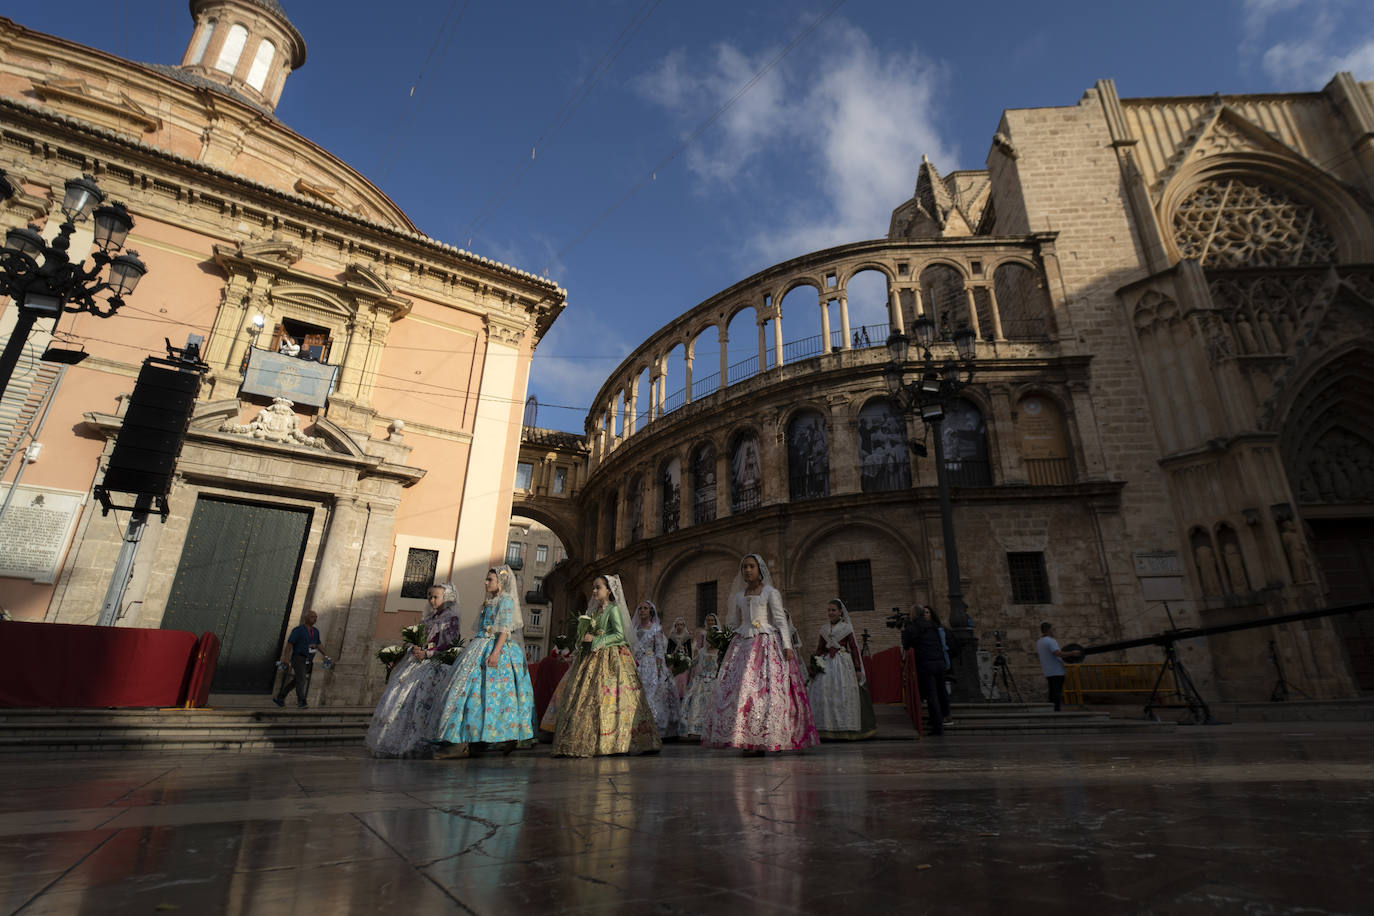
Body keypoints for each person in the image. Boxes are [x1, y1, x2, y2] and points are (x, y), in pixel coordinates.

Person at [701, 554, 819, 755]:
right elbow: (733, 622)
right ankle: (747, 739)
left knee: (767, 691)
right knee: (743, 692)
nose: (747, 570)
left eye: (751, 566)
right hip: (742, 645)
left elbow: (780, 620)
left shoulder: (770, 592)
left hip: (765, 643)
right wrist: (725, 643)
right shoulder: (739, 596)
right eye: (744, 567)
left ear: (759, 569)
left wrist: (788, 646)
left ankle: (772, 736)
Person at [428, 566, 535, 757]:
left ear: (500, 582)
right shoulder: (488, 602)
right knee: (467, 694)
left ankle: (497, 738)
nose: (485, 583)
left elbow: (504, 630)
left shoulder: (506, 601)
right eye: (486, 579)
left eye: (490, 580)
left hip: (496, 650)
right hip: (478, 647)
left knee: (494, 697)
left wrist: (495, 653)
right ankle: (463, 738)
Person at [552, 573, 661, 757]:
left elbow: (619, 635)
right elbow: (588, 633)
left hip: (611, 658)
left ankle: (616, 740)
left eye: (598, 587)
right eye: (593, 587)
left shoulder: (613, 610)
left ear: (609, 591)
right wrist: (584, 638)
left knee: (611, 698)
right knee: (587, 698)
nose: (594, 591)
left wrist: (597, 640)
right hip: (591, 658)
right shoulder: (594, 613)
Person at [365, 583, 462, 757]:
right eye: (430, 597)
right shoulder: (428, 618)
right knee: (400, 696)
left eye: (436, 597)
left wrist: (428, 653)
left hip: (435, 665)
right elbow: (418, 639)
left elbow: (449, 644)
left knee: (419, 699)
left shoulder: (451, 618)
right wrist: (407, 652)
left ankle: (418, 742)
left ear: (446, 598)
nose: (432, 600)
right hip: (417, 662)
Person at [807, 599, 876, 740]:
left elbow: (855, 649)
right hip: (826, 664)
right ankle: (825, 728)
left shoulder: (846, 628)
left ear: (840, 612)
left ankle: (846, 728)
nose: (830, 613)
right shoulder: (824, 629)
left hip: (842, 664)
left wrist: (858, 669)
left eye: (833, 610)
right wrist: (814, 665)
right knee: (825, 694)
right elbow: (820, 649)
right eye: (829, 610)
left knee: (843, 692)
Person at [633, 601, 682, 738]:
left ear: (650, 612)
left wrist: (660, 668)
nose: (642, 611)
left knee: (653, 695)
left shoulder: (656, 629)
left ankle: (655, 727)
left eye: (645, 608)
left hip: (652, 665)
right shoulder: (634, 629)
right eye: (640, 608)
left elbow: (660, 650)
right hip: (637, 664)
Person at [902, 605, 949, 735]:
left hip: (926, 664)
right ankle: (940, 719)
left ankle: (937, 727)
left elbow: (906, 644)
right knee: (939, 693)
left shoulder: (912, 627)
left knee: (931, 695)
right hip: (939, 662)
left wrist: (903, 631)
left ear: (914, 615)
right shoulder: (932, 626)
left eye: (910, 613)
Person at [274, 610, 331, 708]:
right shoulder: (298, 630)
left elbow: (318, 644)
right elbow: (289, 644)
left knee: (297, 680)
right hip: (298, 658)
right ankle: (301, 701)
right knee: (302, 679)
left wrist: (326, 655)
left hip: (308, 659)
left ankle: (280, 697)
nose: (315, 619)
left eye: (316, 617)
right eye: (312, 616)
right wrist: (286, 658)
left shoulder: (315, 631)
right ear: (306, 618)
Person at [680, 612, 721, 737]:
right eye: (709, 638)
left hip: (714, 681)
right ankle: (696, 729)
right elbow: (693, 663)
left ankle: (714, 730)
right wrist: (683, 660)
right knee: (698, 704)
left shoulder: (720, 652)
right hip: (701, 681)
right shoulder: (702, 651)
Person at [1037, 621, 1067, 711]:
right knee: (1057, 692)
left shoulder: (1039, 642)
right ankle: (1056, 711)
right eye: (1053, 629)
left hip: (1048, 671)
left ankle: (1051, 710)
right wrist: (1073, 653)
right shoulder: (1051, 641)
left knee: (1052, 692)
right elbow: (1057, 653)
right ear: (1049, 630)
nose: (1054, 631)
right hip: (1057, 671)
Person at [666, 615, 694, 698]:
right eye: (677, 625)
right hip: (674, 662)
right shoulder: (672, 637)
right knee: (674, 679)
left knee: (683, 679)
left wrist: (689, 661)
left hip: (684, 661)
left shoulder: (687, 637)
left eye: (681, 625)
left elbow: (689, 650)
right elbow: (668, 650)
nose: (679, 626)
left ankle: (682, 696)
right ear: (675, 626)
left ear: (684, 626)